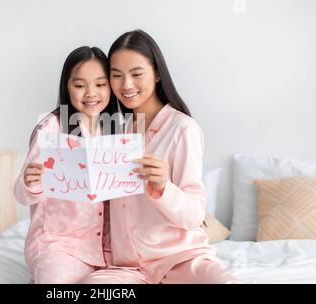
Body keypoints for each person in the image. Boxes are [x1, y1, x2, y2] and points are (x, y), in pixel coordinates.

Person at [80, 30, 238, 284]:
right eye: (116, 76)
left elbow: (195, 215)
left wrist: (164, 187)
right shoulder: (116, 136)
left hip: (180, 260)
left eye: (136, 74)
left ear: (156, 74)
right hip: (128, 269)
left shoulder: (182, 129)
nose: (126, 85)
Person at [13, 46, 119, 283]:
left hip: (107, 252)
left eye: (101, 85)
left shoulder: (116, 131)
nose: (91, 93)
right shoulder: (51, 128)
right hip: (59, 246)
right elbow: (21, 195)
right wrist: (31, 182)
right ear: (67, 87)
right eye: (80, 85)